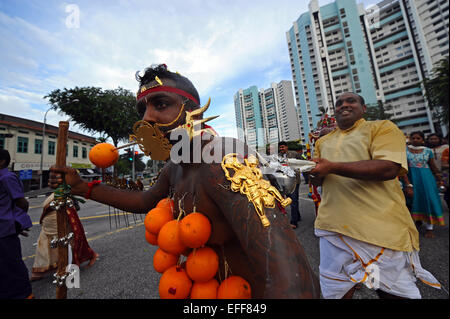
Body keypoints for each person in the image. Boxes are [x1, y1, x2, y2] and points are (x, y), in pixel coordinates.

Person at [49, 64, 320, 298]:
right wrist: (83, 188)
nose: (147, 118)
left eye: (161, 104)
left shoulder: (223, 159)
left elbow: (292, 279)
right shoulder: (174, 166)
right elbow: (144, 200)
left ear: (195, 112)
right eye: (142, 109)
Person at [309, 92, 441, 299]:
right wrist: (312, 173)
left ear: (364, 109)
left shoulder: (382, 128)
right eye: (339, 103)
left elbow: (388, 168)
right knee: (335, 293)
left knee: (392, 293)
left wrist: (332, 167)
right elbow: (320, 180)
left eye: (351, 101)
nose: (344, 105)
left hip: (379, 227)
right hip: (332, 227)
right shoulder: (323, 142)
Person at [31, 194, 99, 281]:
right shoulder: (54, 194)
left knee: (65, 243)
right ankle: (39, 272)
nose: (51, 181)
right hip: (49, 222)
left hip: (60, 220)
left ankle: (68, 266)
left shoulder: (65, 192)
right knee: (44, 244)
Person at [0, 149, 33, 299]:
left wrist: (18, 222)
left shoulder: (6, 177)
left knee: (12, 263)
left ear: (2, 161)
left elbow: (21, 202)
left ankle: (24, 294)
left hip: (5, 228)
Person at [402, 131, 445, 238]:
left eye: (418, 138)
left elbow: (433, 166)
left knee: (428, 200)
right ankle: (416, 221)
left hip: (426, 180)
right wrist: (407, 184)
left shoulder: (428, 151)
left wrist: (439, 179)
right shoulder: (404, 150)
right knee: (411, 201)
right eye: (413, 138)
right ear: (410, 139)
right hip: (411, 179)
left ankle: (429, 228)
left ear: (422, 140)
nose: (415, 140)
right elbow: (403, 168)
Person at [278, 141, 303, 229]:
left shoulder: (294, 154)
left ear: (287, 147)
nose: (282, 149)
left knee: (293, 200)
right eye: (280, 147)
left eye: (283, 147)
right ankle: (297, 216)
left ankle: (294, 222)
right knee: (291, 199)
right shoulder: (278, 157)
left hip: (295, 180)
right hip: (285, 181)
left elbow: (302, 162)